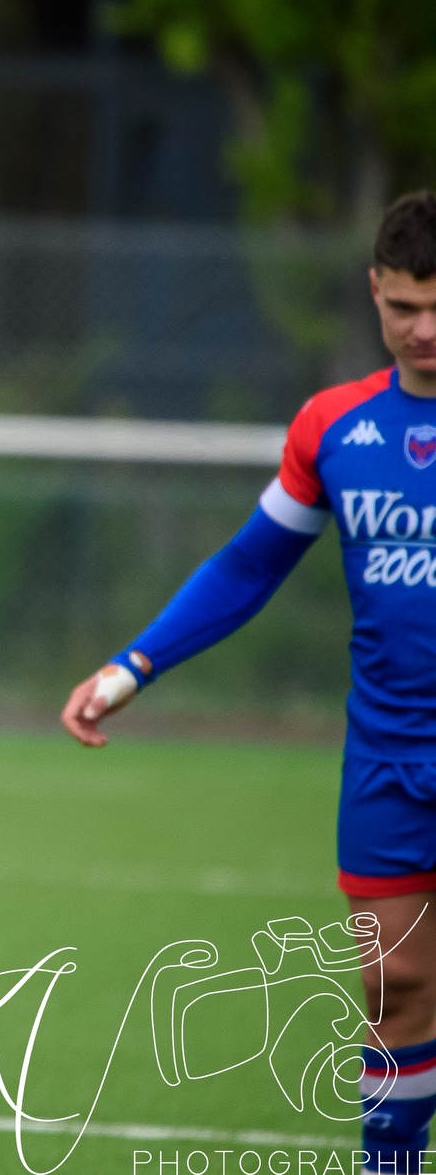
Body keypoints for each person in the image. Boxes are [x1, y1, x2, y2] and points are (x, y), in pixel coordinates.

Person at [62, 191, 436, 1174]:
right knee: (392, 984)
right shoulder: (335, 426)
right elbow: (247, 564)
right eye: (402, 306)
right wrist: (131, 664)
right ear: (372, 294)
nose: (422, 329)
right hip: (387, 758)